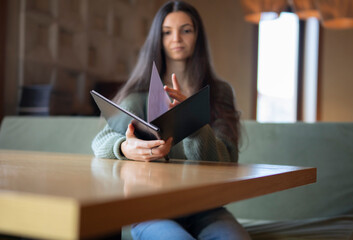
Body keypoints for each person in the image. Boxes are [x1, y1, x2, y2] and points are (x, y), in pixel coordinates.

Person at [92, 1, 250, 239]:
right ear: (158, 38)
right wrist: (124, 147)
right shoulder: (138, 96)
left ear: (198, 36)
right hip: (152, 208)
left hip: (206, 207)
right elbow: (100, 142)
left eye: (186, 30)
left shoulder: (219, 93)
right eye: (167, 32)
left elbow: (227, 160)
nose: (176, 38)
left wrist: (192, 121)